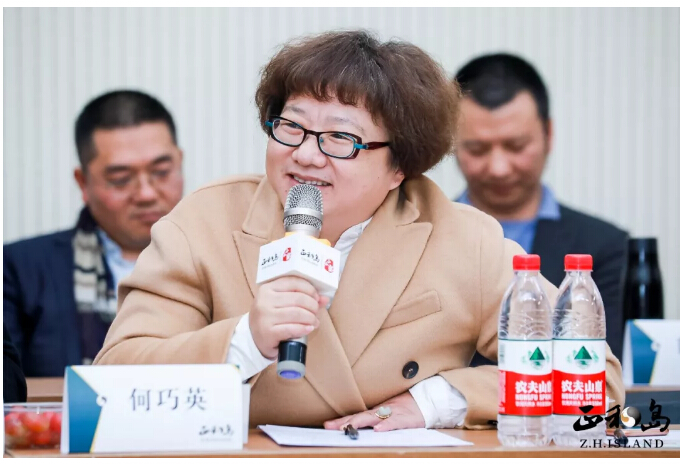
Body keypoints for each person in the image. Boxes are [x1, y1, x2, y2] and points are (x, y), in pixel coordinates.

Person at [94, 31, 624, 431]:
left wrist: (436, 401)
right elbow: (111, 380)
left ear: (400, 168)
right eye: (291, 126)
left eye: (340, 139)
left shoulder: (464, 238)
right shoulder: (204, 221)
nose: (305, 155)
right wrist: (246, 340)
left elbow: (595, 382)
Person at [453, 53, 629, 361]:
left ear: (549, 134)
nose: (499, 168)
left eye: (516, 146)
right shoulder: (423, 238)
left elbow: (597, 365)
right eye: (477, 149)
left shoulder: (605, 247)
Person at [4, 90, 184, 377]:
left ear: (179, 162)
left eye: (161, 171)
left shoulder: (223, 255)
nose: (146, 194)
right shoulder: (18, 269)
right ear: (83, 182)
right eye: (120, 179)